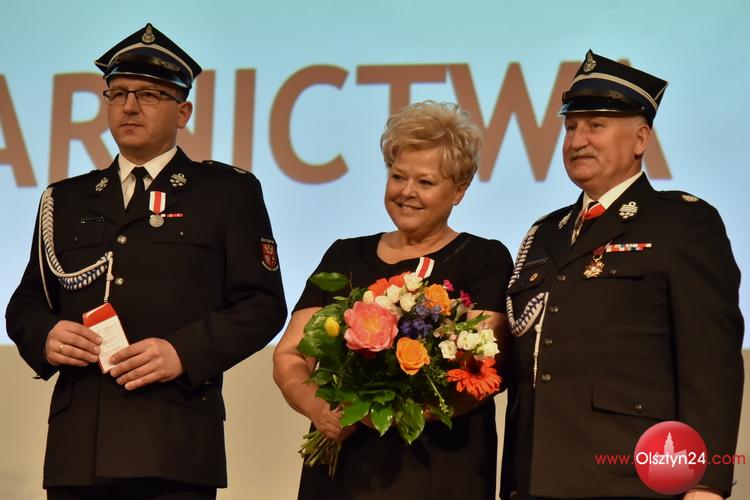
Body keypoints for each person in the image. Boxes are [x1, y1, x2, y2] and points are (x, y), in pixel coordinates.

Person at [5, 23, 287, 500]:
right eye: (117, 94)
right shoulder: (65, 199)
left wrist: (184, 352)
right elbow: (26, 303)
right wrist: (45, 335)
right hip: (79, 448)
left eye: (149, 95)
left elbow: (262, 305)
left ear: (183, 112)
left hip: (173, 441)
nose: (129, 106)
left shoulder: (226, 193)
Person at [501, 50, 744, 499]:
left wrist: (706, 483)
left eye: (596, 125)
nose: (577, 140)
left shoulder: (682, 223)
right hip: (534, 478)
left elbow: (712, 363)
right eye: (571, 127)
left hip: (631, 479)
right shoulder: (545, 232)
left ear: (640, 139)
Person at [273, 100, 513, 499]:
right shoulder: (344, 255)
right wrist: (319, 409)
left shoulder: (484, 258)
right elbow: (291, 354)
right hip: (344, 466)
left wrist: (394, 412)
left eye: (425, 182)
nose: (406, 192)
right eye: (398, 176)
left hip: (440, 467)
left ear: (459, 191)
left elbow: (486, 368)